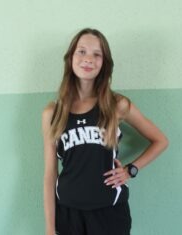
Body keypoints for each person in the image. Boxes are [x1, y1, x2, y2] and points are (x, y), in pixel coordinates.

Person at [42, 28, 169, 235]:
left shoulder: (116, 105)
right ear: (71, 57)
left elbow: (160, 140)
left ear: (104, 63)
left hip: (109, 214)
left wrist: (131, 170)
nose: (88, 59)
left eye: (97, 54)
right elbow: (50, 174)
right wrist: (49, 227)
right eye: (81, 51)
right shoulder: (52, 113)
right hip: (68, 215)